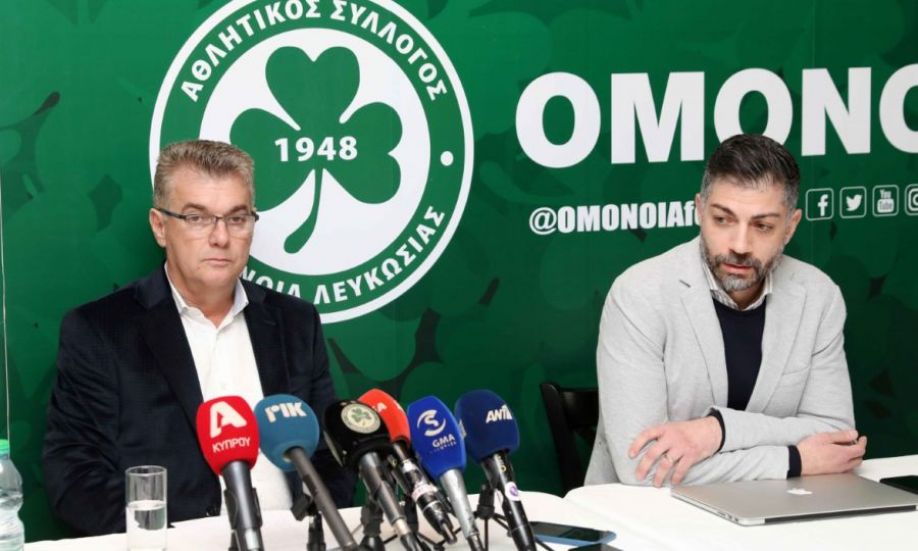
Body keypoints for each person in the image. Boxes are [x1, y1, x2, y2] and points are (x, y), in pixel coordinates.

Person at [43, 140, 354, 535]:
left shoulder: (296, 322)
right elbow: (74, 475)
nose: (221, 237)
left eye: (237, 218)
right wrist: (171, 541)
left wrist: (309, 531)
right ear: (160, 226)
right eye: (197, 218)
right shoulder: (100, 331)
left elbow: (330, 454)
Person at [584, 134, 865, 488]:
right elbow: (645, 467)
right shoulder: (640, 294)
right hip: (646, 515)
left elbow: (836, 437)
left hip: (777, 512)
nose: (740, 245)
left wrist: (717, 431)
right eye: (723, 220)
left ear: (790, 227)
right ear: (700, 211)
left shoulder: (818, 296)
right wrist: (794, 459)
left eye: (763, 226)